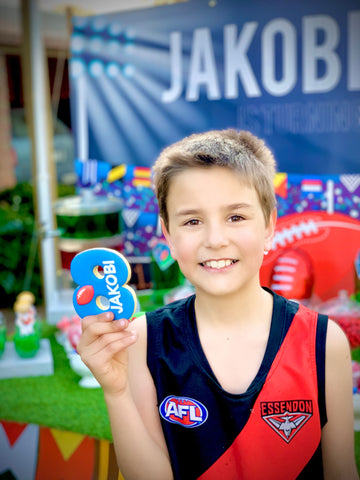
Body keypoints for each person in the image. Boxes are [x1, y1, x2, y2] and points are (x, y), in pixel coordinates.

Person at [77, 129, 358, 480]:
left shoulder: (322, 341)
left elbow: (342, 471)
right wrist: (116, 393)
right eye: (192, 221)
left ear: (269, 225)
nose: (215, 240)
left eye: (236, 217)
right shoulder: (143, 340)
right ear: (168, 236)